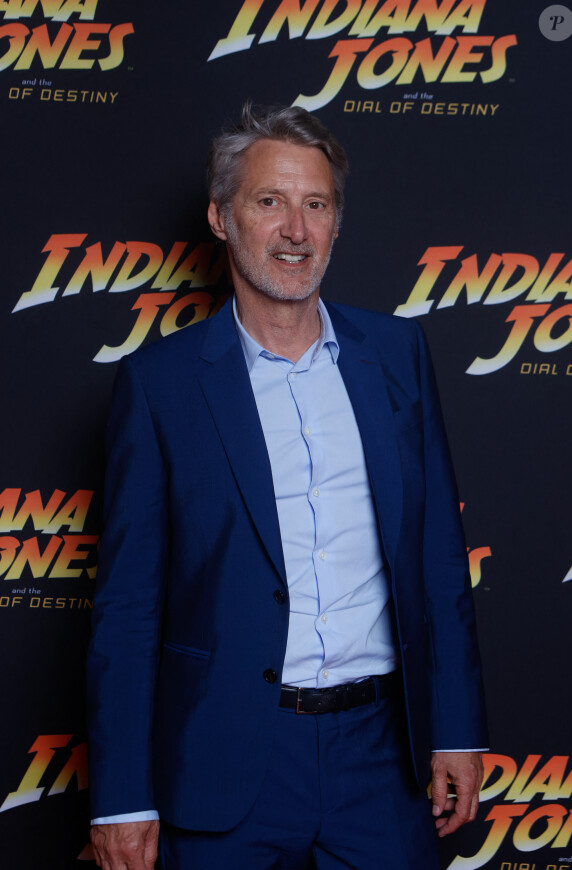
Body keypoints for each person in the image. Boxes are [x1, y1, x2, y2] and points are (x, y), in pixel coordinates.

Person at [87, 103, 488, 870]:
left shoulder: (399, 354)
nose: (295, 231)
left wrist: (458, 728)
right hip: (225, 758)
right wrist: (121, 795)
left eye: (317, 204)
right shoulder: (160, 385)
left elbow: (440, 557)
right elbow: (129, 608)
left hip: (382, 759)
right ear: (220, 217)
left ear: (337, 221)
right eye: (269, 202)